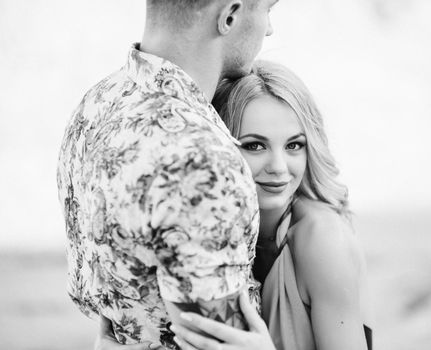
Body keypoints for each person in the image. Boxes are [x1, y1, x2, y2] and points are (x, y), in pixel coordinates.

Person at [98, 61, 373, 349]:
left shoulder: (324, 240)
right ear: (219, 149)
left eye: (294, 145)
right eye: (255, 145)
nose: (279, 168)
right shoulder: (208, 232)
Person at [57, 0, 278, 348]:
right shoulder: (201, 160)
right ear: (230, 15)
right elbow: (215, 340)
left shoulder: (96, 104)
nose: (268, 28)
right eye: (268, 9)